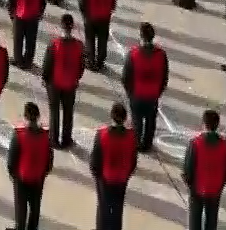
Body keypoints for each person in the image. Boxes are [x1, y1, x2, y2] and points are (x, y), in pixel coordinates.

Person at [181, 108, 226, 230]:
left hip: (197, 187)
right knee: (212, 217)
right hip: (215, 187)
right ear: (217, 125)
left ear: (204, 124)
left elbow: (188, 166)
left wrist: (188, 182)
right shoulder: (225, 144)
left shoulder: (195, 143)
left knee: (195, 218)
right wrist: (222, 182)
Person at [120, 22, 168, 152]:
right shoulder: (161, 55)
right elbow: (164, 76)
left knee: (137, 120)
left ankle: (137, 143)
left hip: (137, 94)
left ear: (141, 36)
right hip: (153, 94)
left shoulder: (133, 54)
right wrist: (158, 92)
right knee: (151, 120)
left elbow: (126, 77)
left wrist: (130, 93)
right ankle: (147, 144)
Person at [89, 101, 136, 230]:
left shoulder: (102, 135)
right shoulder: (131, 136)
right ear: (125, 118)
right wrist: (127, 174)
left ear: (111, 116)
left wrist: (97, 176)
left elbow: (95, 160)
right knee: (118, 208)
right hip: (121, 178)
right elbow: (133, 160)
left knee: (103, 207)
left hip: (105, 178)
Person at [40, 13, 85, 148]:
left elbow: (47, 64)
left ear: (61, 26)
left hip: (55, 83)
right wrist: (76, 77)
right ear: (72, 27)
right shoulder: (79, 45)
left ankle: (54, 140)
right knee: (68, 112)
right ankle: (66, 139)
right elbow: (81, 66)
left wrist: (45, 78)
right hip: (70, 83)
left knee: (54, 111)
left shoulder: (54, 44)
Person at [6, 101, 53, 230]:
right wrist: (44, 173)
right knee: (35, 207)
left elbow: (12, 160)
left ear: (25, 117)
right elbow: (49, 159)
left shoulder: (19, 135)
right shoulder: (45, 136)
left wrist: (13, 174)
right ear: (38, 117)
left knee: (21, 208)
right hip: (38, 177)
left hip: (21, 178)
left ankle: (20, 228)